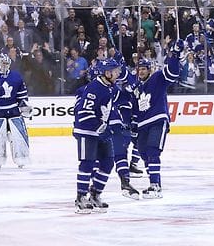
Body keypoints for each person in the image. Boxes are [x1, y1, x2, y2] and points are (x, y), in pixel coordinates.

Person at [133, 39, 184, 199]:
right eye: (139, 69)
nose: (141, 72)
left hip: (157, 120)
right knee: (144, 154)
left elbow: (172, 73)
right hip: (142, 125)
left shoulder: (157, 78)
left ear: (149, 69)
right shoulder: (137, 87)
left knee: (153, 151)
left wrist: (174, 55)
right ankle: (155, 184)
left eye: (143, 69)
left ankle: (155, 186)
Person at [73, 57, 123, 214]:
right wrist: (101, 127)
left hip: (100, 131)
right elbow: (84, 113)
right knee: (87, 163)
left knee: (108, 162)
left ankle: (95, 194)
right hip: (87, 131)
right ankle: (81, 197)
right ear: (107, 73)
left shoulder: (110, 87)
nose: (117, 74)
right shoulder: (94, 87)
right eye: (115, 71)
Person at [0, 54, 31, 168]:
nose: (4, 66)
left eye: (6, 64)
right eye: (2, 63)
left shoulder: (16, 77)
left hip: (14, 112)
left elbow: (22, 96)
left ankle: (21, 159)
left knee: (19, 137)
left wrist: (25, 106)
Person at [110, 53, 141, 199]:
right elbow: (121, 94)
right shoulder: (108, 88)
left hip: (121, 122)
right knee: (110, 156)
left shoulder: (124, 77)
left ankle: (125, 182)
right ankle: (88, 192)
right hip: (112, 124)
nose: (118, 71)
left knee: (121, 151)